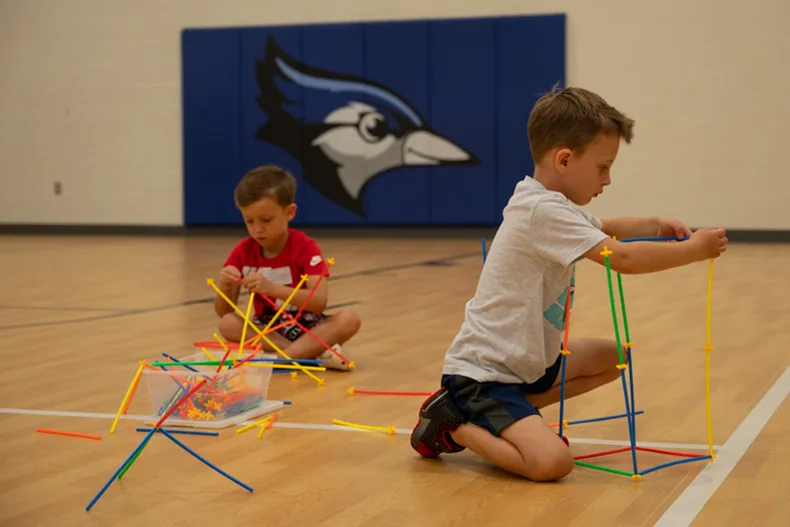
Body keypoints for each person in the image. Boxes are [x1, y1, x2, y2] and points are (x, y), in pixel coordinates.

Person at [409, 86, 728, 480]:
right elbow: (620, 257)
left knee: (616, 356)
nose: (608, 179)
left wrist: (653, 225)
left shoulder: (548, 203)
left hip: (528, 362)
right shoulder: (543, 210)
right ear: (564, 159)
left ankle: (509, 417)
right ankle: (454, 423)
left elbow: (607, 228)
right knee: (552, 464)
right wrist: (695, 251)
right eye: (603, 167)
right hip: (484, 375)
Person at [214, 164, 361, 371]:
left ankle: (281, 358)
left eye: (266, 220)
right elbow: (224, 311)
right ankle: (305, 354)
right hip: (269, 332)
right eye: (249, 221)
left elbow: (318, 302)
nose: (257, 229)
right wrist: (225, 287)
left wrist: (272, 289)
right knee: (228, 323)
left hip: (309, 326)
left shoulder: (305, 247)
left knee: (349, 319)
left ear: (290, 212)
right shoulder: (243, 251)